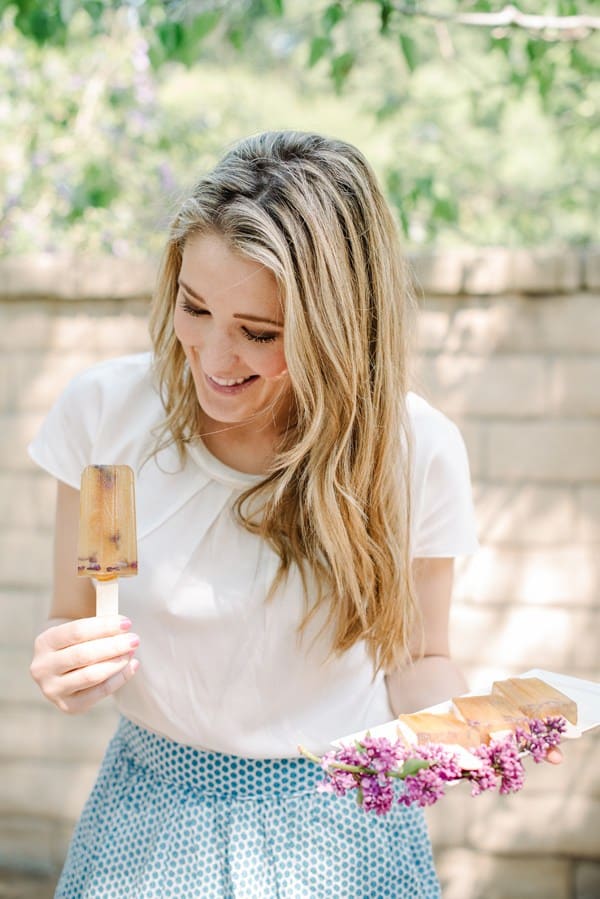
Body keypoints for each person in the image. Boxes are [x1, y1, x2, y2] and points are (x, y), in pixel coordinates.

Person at [29, 131, 480, 898]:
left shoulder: (417, 452)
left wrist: (467, 736)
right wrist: (65, 669)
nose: (211, 356)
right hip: (149, 825)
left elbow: (417, 658)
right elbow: (72, 623)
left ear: (336, 332)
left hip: (344, 831)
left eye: (259, 333)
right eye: (194, 307)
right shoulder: (105, 415)